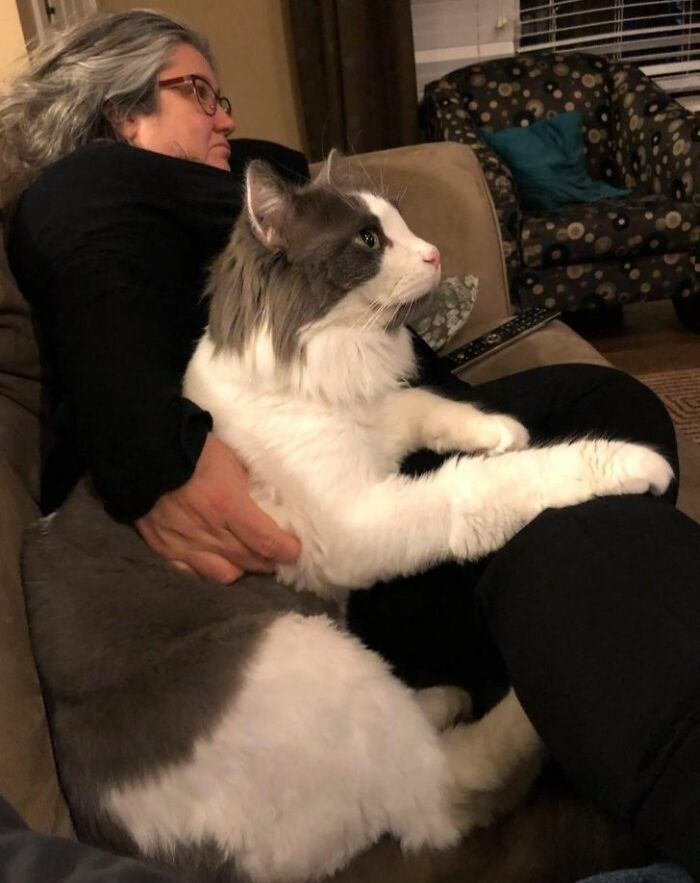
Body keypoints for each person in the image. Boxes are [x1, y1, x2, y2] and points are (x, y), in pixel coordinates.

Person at [2, 10, 700, 883]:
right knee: (585, 529)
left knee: (606, 402)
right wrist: (161, 459)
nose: (223, 115)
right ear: (116, 115)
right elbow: (72, 233)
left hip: (353, 448)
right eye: (195, 93)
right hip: (284, 538)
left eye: (225, 96)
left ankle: (561, 658)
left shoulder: (228, 183)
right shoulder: (98, 187)